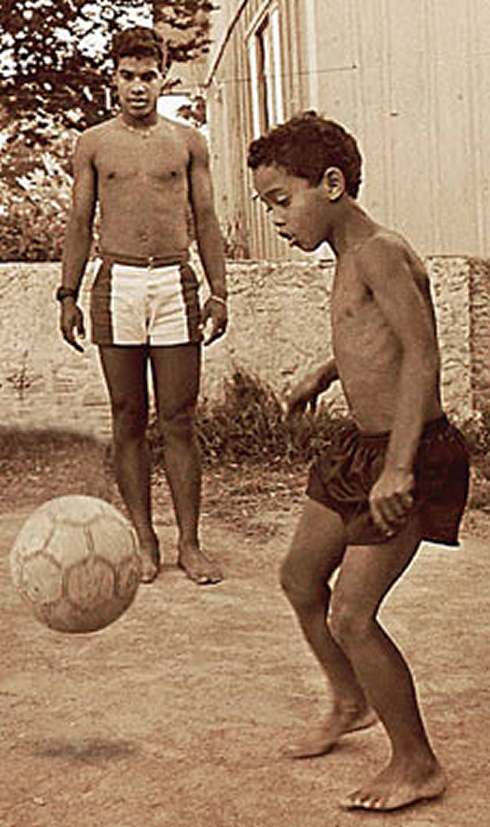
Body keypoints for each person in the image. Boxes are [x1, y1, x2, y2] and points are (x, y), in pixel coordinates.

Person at [248, 112, 469, 811]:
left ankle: (416, 761)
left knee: (351, 612)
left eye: (282, 200)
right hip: (356, 445)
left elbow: (421, 354)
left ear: (333, 184)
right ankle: (349, 697)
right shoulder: (349, 253)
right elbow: (370, 338)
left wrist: (399, 467)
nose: (277, 220)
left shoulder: (376, 249)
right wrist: (325, 372)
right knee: (299, 575)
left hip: (411, 450)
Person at [58, 27, 227, 586]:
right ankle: (144, 540)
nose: (138, 87)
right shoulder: (94, 143)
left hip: (174, 282)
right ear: (114, 79)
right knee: (128, 415)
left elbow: (206, 222)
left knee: (179, 419)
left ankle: (191, 544)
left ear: (163, 79)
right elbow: (80, 223)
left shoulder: (187, 142)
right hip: (116, 283)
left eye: (147, 76)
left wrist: (218, 291)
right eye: (128, 76)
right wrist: (68, 293)